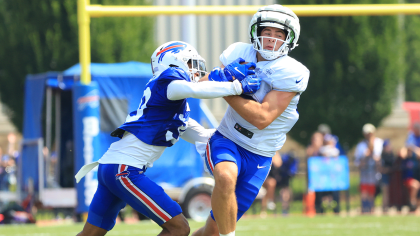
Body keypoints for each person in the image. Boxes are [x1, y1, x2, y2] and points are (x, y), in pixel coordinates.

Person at [75, 41, 260, 236]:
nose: (195, 70)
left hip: (111, 167)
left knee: (90, 234)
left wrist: (237, 142)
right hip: (124, 170)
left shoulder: (169, 101)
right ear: (173, 61)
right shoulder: (169, 81)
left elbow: (197, 133)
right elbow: (196, 91)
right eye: (190, 63)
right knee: (179, 228)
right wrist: (235, 87)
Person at [193, 5, 309, 236]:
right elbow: (201, 83)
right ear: (256, 32)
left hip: (260, 154)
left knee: (212, 232)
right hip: (228, 138)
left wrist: (227, 87)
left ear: (290, 39)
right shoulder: (238, 52)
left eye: (279, 35)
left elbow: (262, 117)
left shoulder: (292, 71)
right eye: (268, 32)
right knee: (225, 177)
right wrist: (218, 79)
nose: (272, 40)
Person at [354, 123, 383, 213]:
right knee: (364, 190)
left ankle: (371, 208)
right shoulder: (361, 145)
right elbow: (357, 161)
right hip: (365, 171)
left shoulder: (379, 142)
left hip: (375, 171)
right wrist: (364, 157)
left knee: (372, 190)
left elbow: (382, 157)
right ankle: (364, 208)